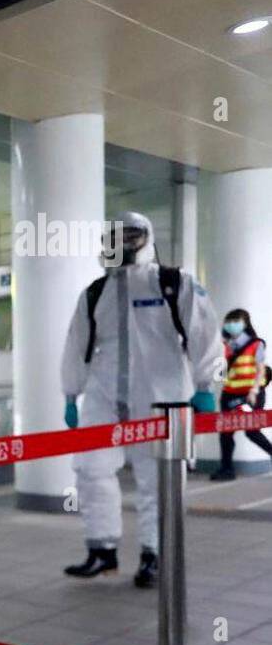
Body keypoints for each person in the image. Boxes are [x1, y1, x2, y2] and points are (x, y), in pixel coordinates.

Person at [60, 211, 221, 588]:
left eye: (131, 235)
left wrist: (205, 384)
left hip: (160, 395)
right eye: (116, 236)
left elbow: (204, 332)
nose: (124, 243)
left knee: (157, 478)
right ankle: (102, 549)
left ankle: (155, 553)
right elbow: (76, 345)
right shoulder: (95, 293)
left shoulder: (172, 283)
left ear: (147, 237)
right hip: (103, 395)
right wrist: (71, 393)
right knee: (90, 468)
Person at [211, 308, 272, 480]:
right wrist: (220, 350)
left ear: (245, 324)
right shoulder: (225, 346)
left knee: (251, 431)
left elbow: (260, 369)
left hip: (250, 395)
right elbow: (219, 375)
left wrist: (254, 390)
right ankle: (226, 469)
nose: (232, 325)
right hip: (229, 394)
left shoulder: (256, 344)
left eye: (236, 321)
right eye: (229, 322)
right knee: (226, 432)